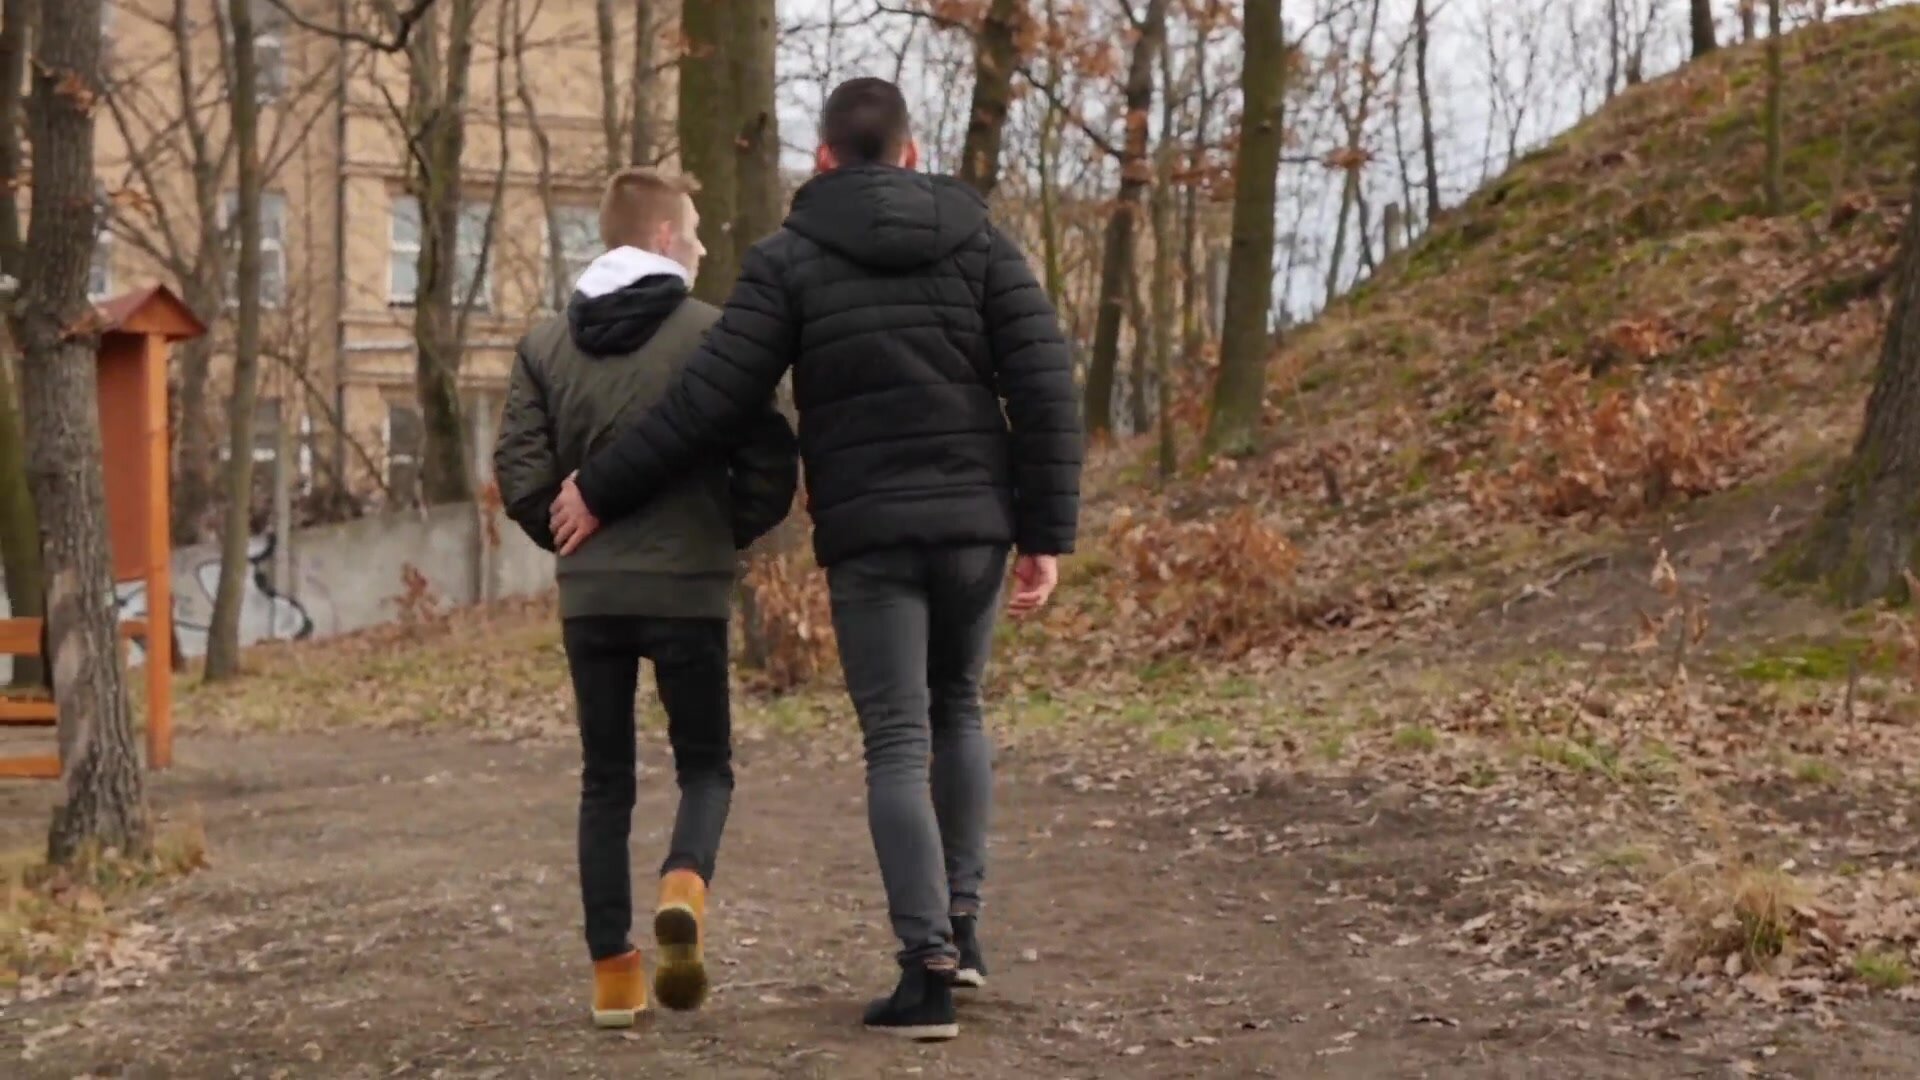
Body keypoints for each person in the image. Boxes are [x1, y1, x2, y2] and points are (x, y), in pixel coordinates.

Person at [548, 78, 1082, 1041]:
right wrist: (1044, 530)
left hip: (873, 535)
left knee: (898, 739)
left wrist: (598, 486)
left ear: (824, 157)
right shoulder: (980, 240)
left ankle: (926, 970)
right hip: (976, 526)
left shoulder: (790, 258)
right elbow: (1045, 384)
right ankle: (963, 929)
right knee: (959, 708)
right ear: (911, 152)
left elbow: (709, 401)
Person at [493, 167, 798, 1028]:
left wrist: (569, 536)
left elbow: (519, 471)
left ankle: (615, 980)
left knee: (605, 781)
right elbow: (772, 456)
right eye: (693, 232)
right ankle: (683, 888)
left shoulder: (544, 345)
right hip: (689, 587)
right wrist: (720, 530)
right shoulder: (717, 336)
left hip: (591, 597)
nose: (699, 248)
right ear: (664, 237)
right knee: (705, 766)